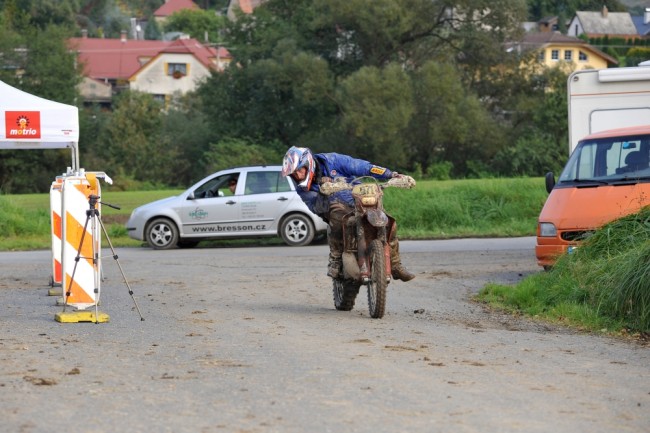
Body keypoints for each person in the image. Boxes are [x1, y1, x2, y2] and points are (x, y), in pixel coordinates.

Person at [281, 146, 415, 282]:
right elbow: (317, 208)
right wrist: (322, 193)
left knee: (388, 222)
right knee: (338, 218)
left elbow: (362, 166)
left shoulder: (332, 160)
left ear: (307, 163)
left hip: (359, 198)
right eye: (293, 174)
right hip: (334, 207)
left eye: (299, 170)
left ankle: (396, 265)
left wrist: (390, 174)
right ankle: (336, 259)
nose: (297, 175)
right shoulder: (303, 189)